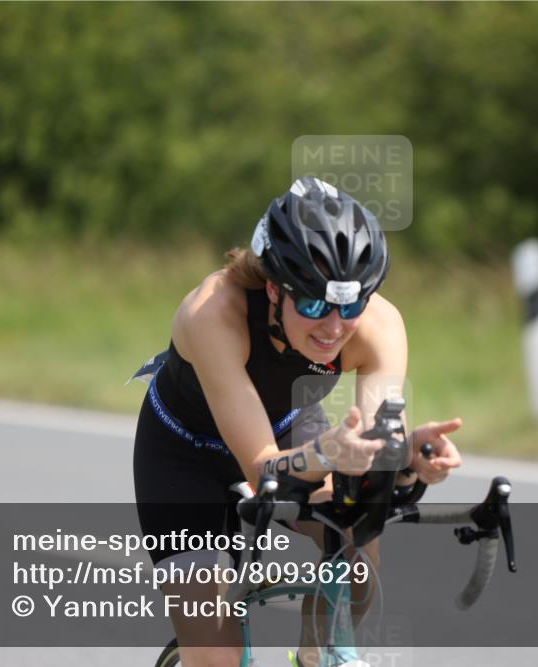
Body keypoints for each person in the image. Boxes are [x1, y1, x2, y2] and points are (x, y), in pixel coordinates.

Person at [133, 176, 463, 667]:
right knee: (215, 661)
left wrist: (408, 455)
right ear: (273, 287)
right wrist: (330, 452)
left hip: (287, 424)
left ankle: (312, 658)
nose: (333, 327)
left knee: (358, 556)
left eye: (349, 305)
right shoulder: (212, 312)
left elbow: (372, 451)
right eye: (312, 304)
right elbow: (262, 469)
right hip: (184, 456)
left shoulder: (377, 327)